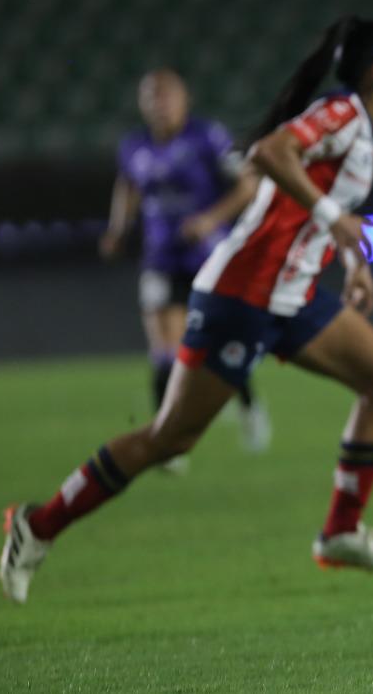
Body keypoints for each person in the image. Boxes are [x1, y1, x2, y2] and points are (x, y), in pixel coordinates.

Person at [1, 17, 373, 604]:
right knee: (170, 438)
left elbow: (315, 211)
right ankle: (37, 525)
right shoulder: (342, 114)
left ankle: (340, 532)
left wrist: (354, 261)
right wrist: (334, 219)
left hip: (291, 295)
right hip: (242, 292)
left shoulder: (364, 135)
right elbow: (270, 153)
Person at [99, 69, 269, 464]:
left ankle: (249, 407)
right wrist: (118, 228)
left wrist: (211, 219)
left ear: (184, 99)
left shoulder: (208, 137)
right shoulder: (135, 146)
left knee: (222, 344)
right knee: (165, 351)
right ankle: (168, 441)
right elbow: (128, 185)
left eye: (166, 96)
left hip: (209, 259)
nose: (160, 104)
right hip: (161, 258)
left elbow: (249, 184)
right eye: (151, 97)